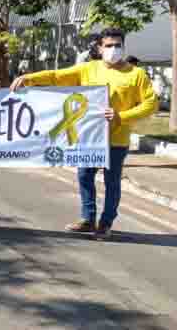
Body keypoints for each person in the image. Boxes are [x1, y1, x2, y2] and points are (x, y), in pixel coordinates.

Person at [11, 28, 158, 240]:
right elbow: (57, 76)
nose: (114, 49)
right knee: (84, 176)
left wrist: (121, 116)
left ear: (124, 47)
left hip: (116, 139)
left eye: (118, 45)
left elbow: (151, 104)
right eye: (109, 45)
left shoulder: (136, 74)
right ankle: (88, 218)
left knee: (112, 182)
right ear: (100, 48)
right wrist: (29, 78)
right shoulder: (88, 69)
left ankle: (105, 223)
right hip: (89, 138)